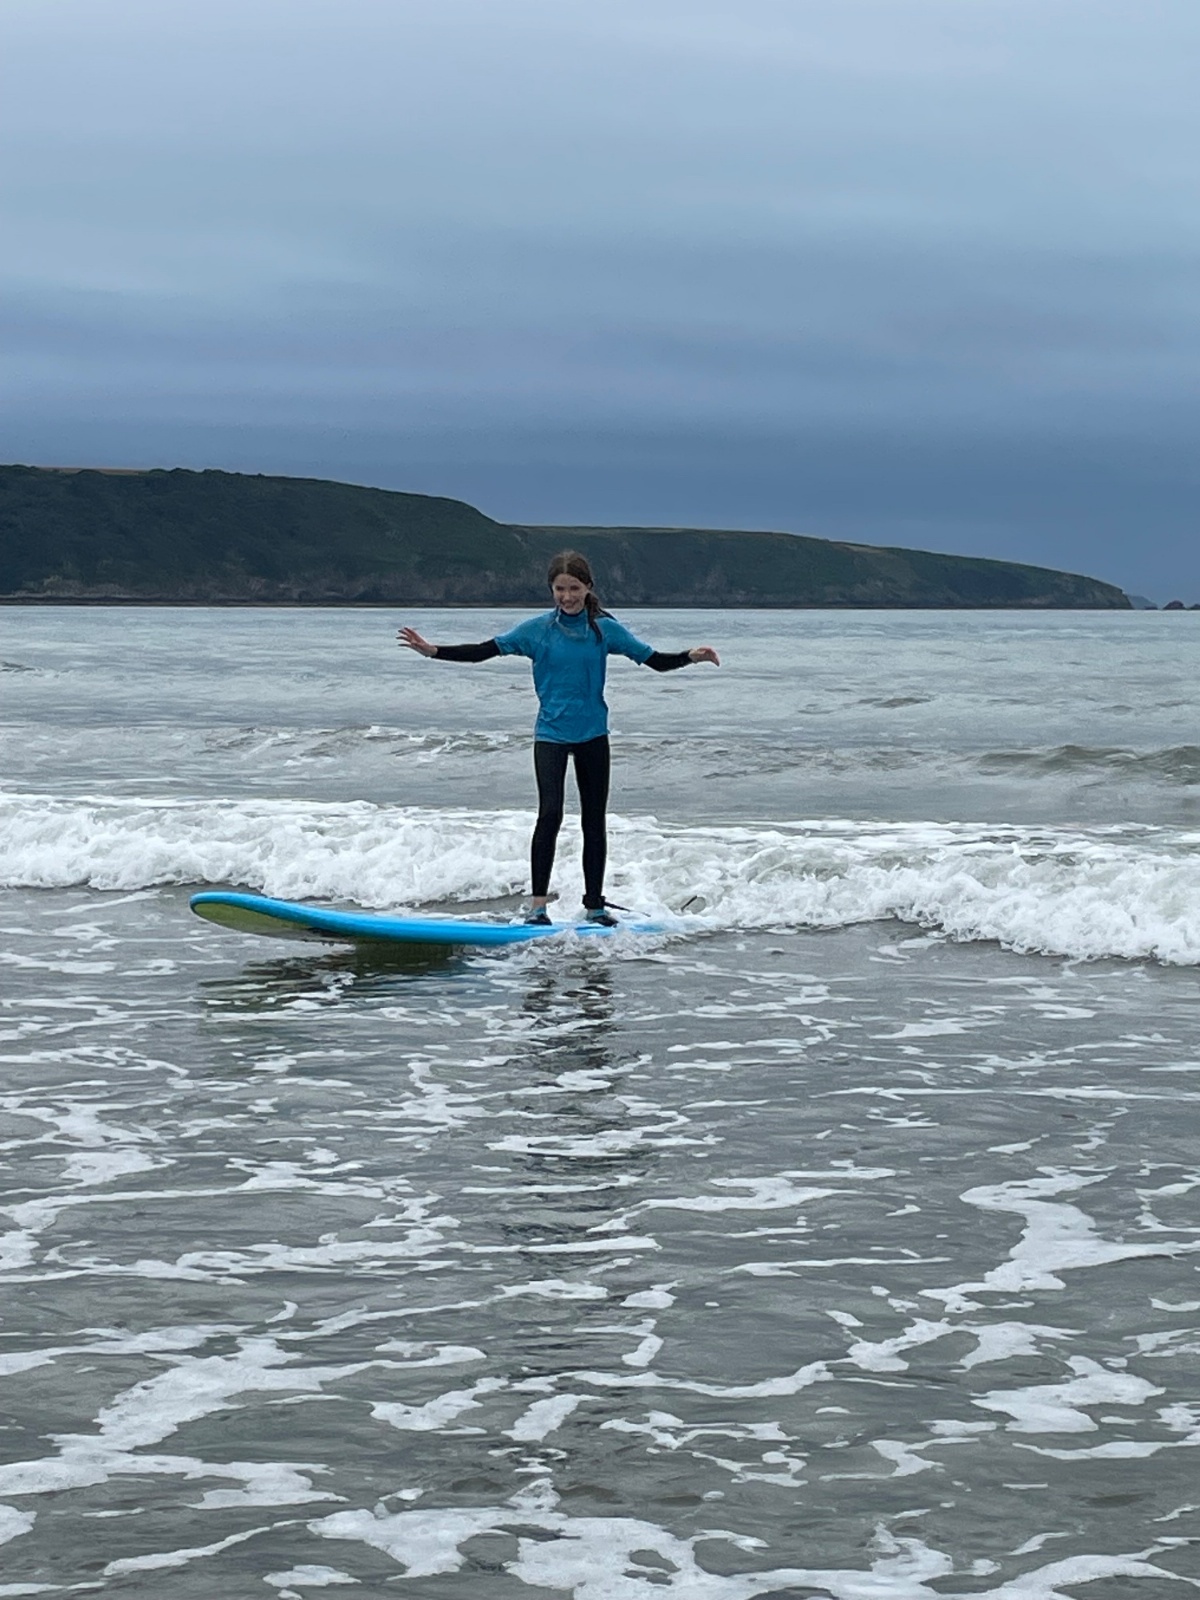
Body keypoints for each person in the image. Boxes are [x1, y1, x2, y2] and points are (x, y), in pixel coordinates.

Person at [399, 550, 719, 926]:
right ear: (552, 590)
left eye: (574, 589)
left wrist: (691, 656)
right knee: (549, 815)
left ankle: (595, 907)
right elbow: (484, 651)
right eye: (560, 589)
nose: (567, 597)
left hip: (593, 735)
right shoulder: (537, 631)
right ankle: (538, 908)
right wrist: (434, 652)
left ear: (588, 588)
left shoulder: (604, 630)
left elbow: (654, 660)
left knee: (593, 821)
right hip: (550, 734)